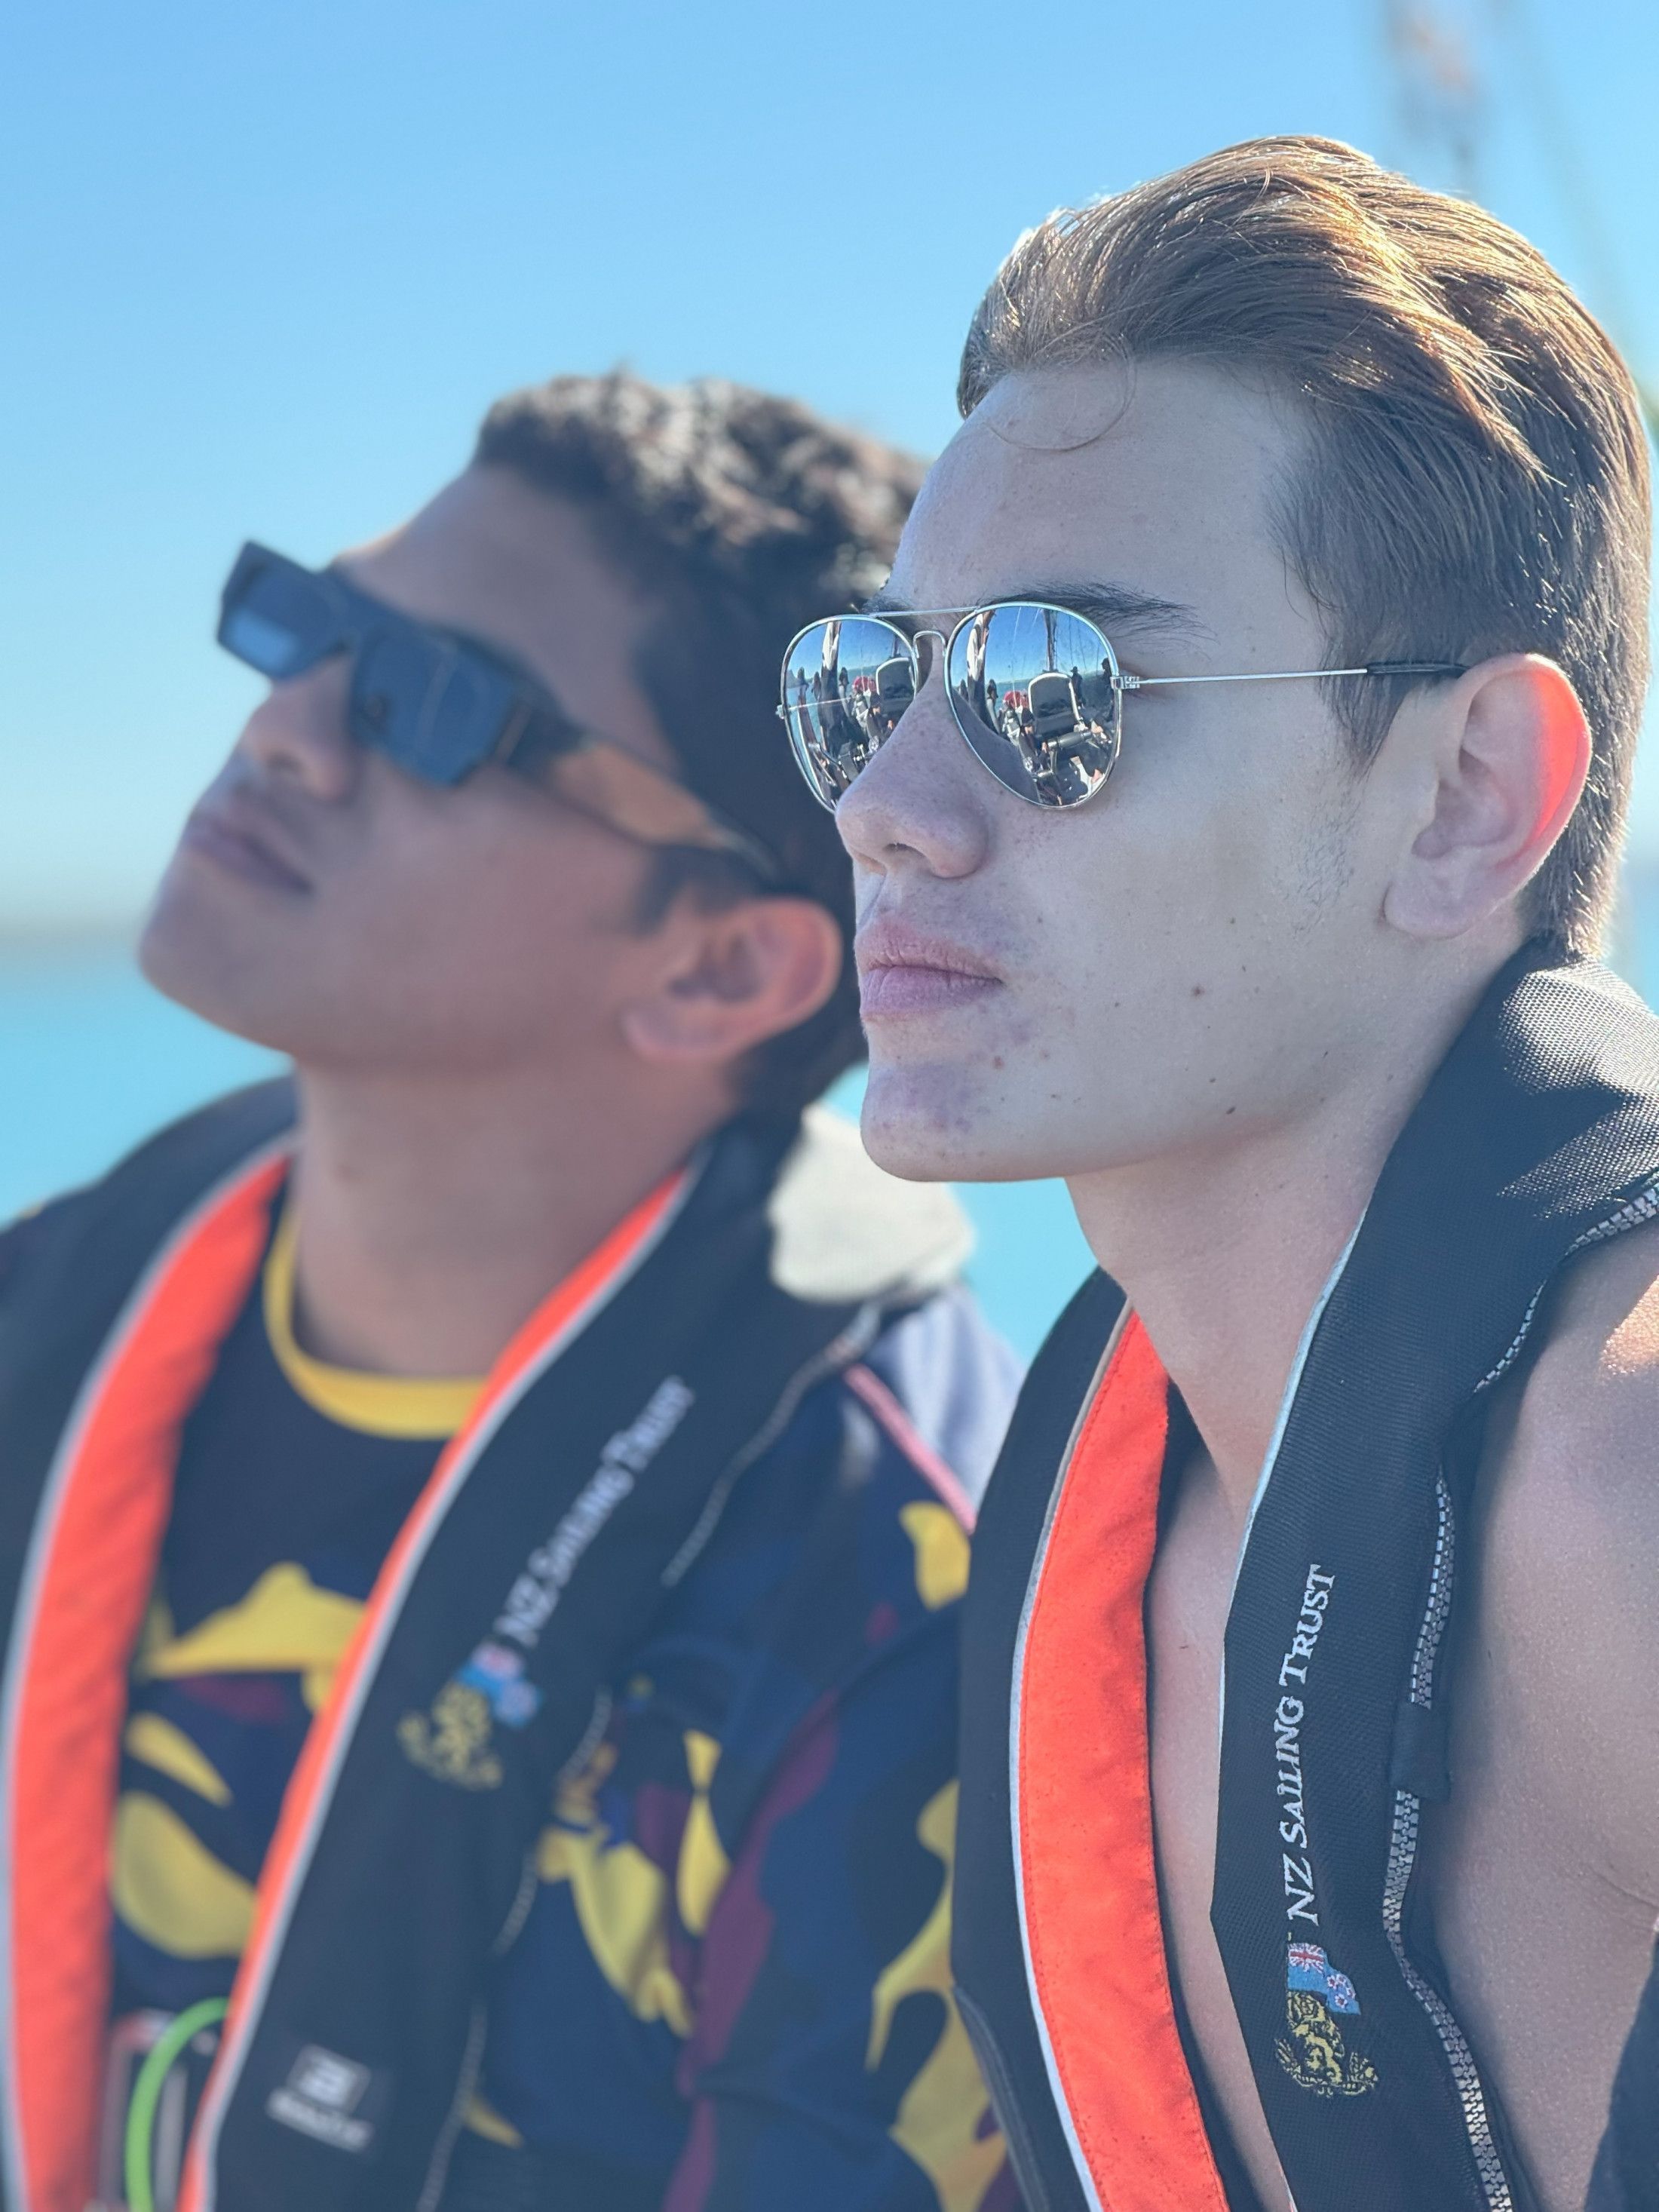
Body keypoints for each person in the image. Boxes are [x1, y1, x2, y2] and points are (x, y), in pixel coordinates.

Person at [0, 371, 1021, 2212]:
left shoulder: (902, 1606)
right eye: (307, 626)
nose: (286, 728)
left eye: (435, 702)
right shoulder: (41, 1322)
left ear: (720, 972)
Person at [778, 140, 1659, 2212]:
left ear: (1463, 798)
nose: (890, 804)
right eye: (870, 682)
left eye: (1054, 691)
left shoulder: (1616, 1485)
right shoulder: (1123, 1489)